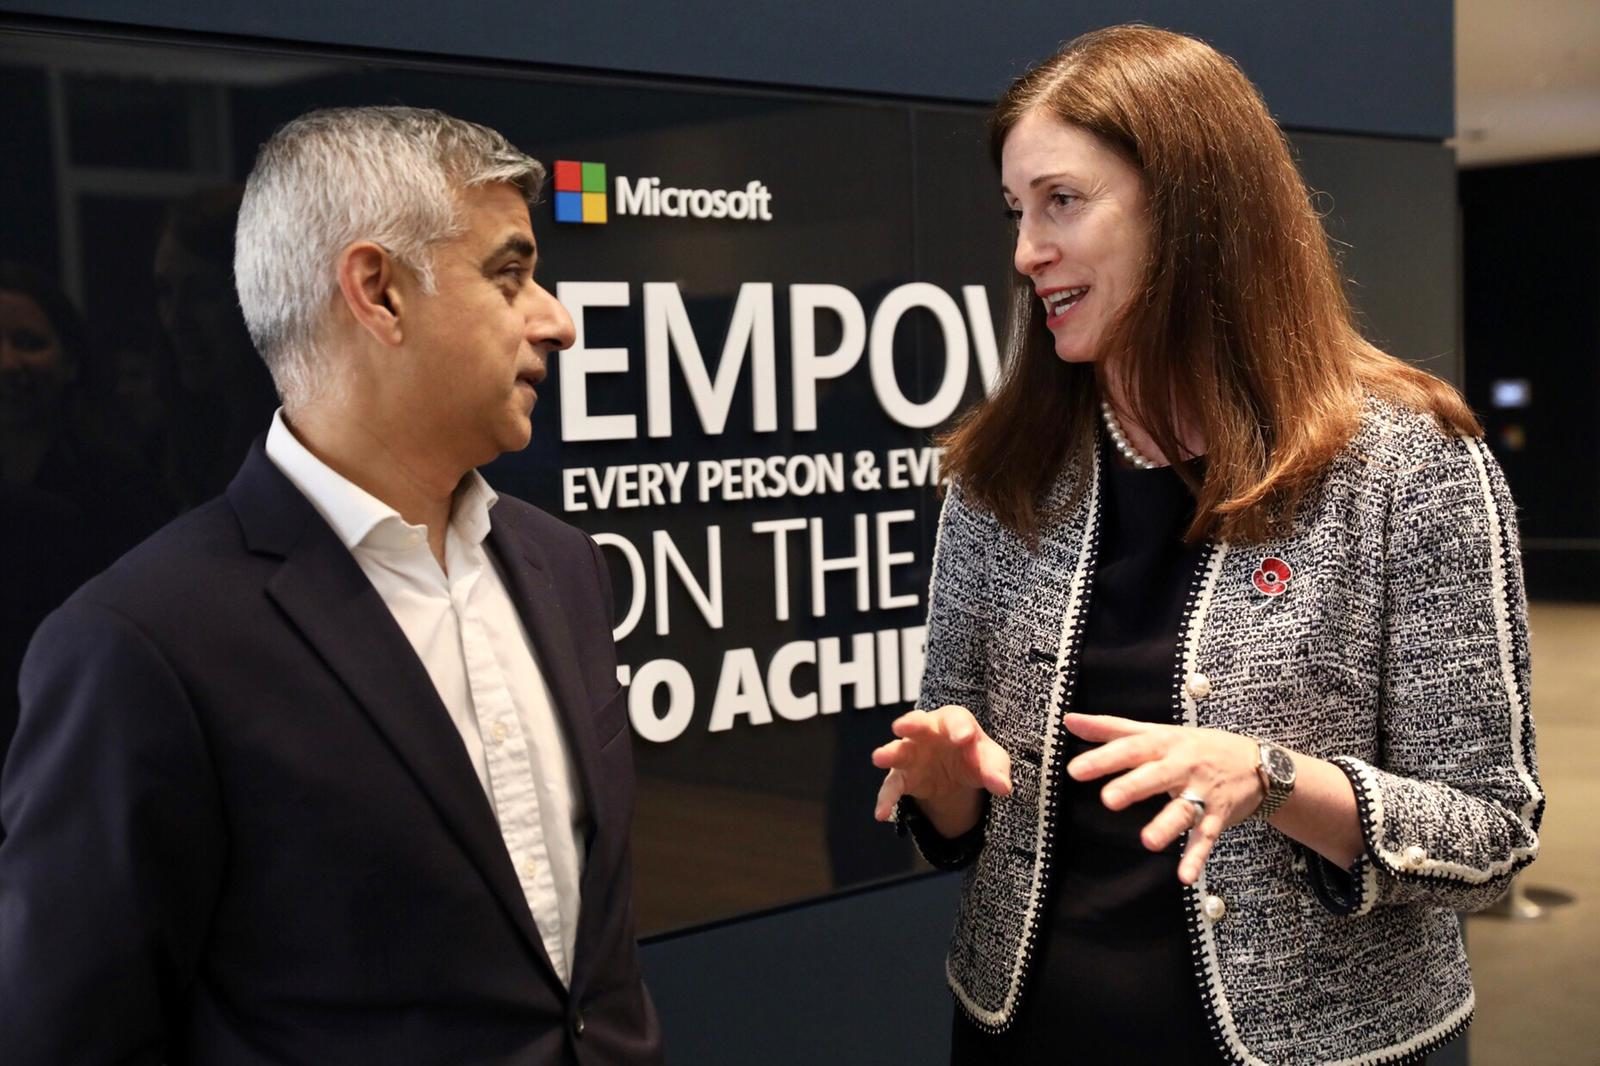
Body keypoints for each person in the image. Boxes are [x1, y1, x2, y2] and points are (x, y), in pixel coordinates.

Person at [871, 25, 1542, 1066]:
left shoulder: (1409, 464)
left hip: (1329, 1045)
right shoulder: (1002, 475)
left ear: (1188, 206)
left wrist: (1276, 778)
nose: (1024, 251)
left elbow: (1489, 836)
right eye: (1016, 210)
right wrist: (945, 778)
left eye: (1061, 201)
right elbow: (959, 804)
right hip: (1023, 1027)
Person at [0, 106, 663, 1064]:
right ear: (377, 292)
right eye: (509, 274)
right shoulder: (140, 644)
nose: (555, 319)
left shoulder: (563, 567)